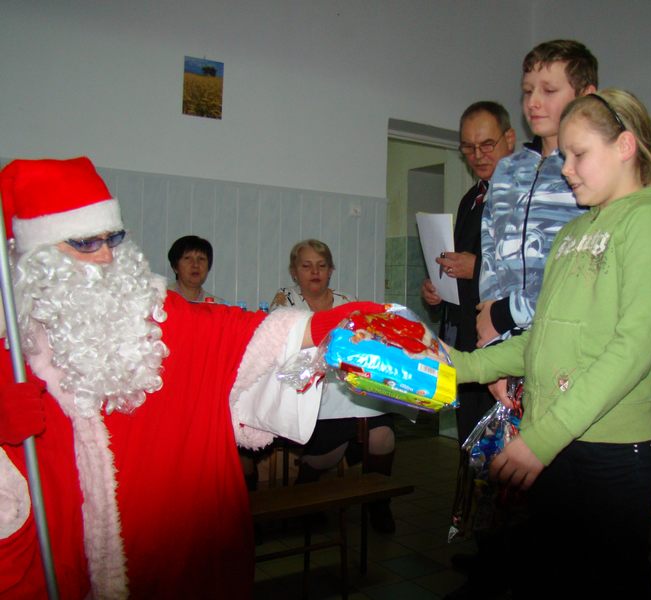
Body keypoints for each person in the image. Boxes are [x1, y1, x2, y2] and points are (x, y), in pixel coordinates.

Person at [0, 157, 382, 598]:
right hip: (64, 557)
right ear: (37, 257)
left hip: (172, 549)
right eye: (85, 243)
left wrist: (334, 325)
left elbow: (239, 333)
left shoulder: (159, 315)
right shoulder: (13, 351)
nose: (106, 256)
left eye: (112, 238)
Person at [449, 90, 651, 597]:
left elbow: (633, 350)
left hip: (609, 448)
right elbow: (541, 338)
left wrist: (540, 439)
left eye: (579, 154)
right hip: (555, 437)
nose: (566, 169)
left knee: (610, 583)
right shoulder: (574, 231)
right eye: (564, 156)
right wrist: (460, 366)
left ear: (625, 146)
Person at [271, 239, 406, 533]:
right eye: (306, 266)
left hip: (350, 388)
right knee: (328, 453)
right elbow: (279, 350)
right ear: (294, 272)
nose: (315, 272)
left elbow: (365, 344)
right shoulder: (286, 302)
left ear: (330, 270)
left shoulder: (347, 301)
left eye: (321, 265)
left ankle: (378, 503)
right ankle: (305, 499)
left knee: (383, 436)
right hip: (309, 391)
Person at [475, 40, 597, 351]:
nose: (533, 103)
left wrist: (508, 314)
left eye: (549, 91)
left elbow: (588, 271)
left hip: (567, 338)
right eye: (528, 91)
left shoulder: (593, 172)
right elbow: (490, 252)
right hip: (504, 337)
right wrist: (494, 330)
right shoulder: (506, 170)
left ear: (586, 96)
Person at [421, 101, 516, 444]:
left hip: (508, 338)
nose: (477, 155)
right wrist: (439, 286)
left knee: (504, 446)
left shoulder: (526, 198)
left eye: (486, 145)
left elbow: (540, 274)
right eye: (468, 147)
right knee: (470, 439)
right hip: (465, 335)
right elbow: (462, 265)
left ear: (509, 138)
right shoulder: (471, 199)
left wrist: (476, 267)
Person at [167, 234, 225, 303]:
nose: (196, 265)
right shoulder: (161, 299)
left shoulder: (217, 305)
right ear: (175, 267)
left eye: (201, 259)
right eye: (187, 258)